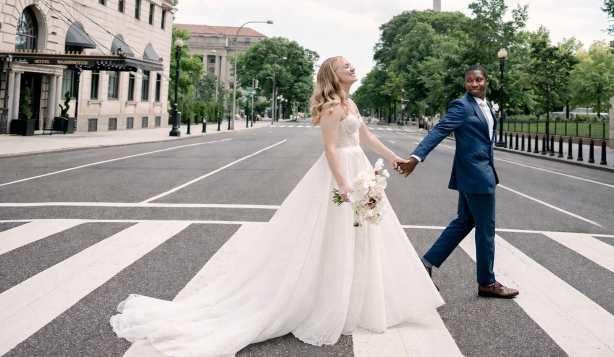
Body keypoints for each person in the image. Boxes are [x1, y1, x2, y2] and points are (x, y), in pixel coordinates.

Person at [110, 56, 443, 356]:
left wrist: (393, 158)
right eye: (346, 66)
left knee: (360, 234)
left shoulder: (351, 104)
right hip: (341, 172)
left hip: (359, 166)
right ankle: (326, 300)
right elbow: (330, 149)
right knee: (332, 234)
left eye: (352, 65)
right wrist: (343, 184)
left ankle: (355, 298)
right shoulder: (331, 107)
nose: (352, 68)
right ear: (333, 75)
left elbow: (366, 139)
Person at [397, 65, 519, 299]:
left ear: (487, 81)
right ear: (465, 83)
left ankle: (426, 263)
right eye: (469, 80)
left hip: (475, 172)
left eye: (479, 80)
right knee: (486, 229)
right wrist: (416, 157)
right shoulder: (461, 106)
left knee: (464, 222)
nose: (474, 84)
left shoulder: (484, 107)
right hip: (476, 175)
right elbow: (439, 131)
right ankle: (487, 282)